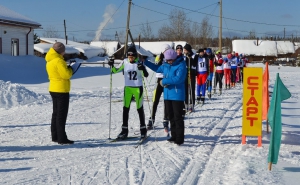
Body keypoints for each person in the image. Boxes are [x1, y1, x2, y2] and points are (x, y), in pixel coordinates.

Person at [144, 49, 187, 145]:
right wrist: (145, 62)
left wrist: (164, 81)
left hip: (177, 95)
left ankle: (180, 138)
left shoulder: (181, 65)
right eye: (167, 60)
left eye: (171, 60)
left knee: (178, 117)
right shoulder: (166, 65)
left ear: (175, 58)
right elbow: (156, 68)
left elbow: (179, 79)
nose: (169, 62)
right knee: (170, 116)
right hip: (167, 95)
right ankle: (174, 135)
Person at [108, 47, 149, 139]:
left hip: (138, 88)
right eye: (129, 55)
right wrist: (111, 65)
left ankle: (143, 130)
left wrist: (143, 69)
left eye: (132, 55)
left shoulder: (139, 62)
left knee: (139, 108)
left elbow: (146, 75)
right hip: (128, 89)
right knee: (125, 109)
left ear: (135, 55)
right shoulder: (125, 62)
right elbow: (115, 70)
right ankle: (124, 130)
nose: (130, 57)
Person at [45, 42, 74, 145]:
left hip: (53, 88)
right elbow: (66, 75)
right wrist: (71, 69)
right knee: (61, 114)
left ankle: (55, 136)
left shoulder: (49, 60)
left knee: (56, 113)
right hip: (61, 89)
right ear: (61, 51)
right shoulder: (59, 61)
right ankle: (62, 138)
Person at [147, 44, 170, 133]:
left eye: (167, 51)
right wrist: (158, 61)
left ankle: (165, 120)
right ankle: (151, 119)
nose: (166, 52)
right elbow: (156, 67)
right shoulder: (159, 57)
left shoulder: (169, 59)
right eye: (165, 51)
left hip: (166, 81)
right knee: (155, 101)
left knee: (166, 102)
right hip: (159, 81)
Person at [183, 44, 196, 113]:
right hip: (185, 74)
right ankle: (186, 104)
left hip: (192, 74)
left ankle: (192, 104)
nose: (184, 51)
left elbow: (194, 64)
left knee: (192, 89)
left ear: (188, 50)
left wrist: (190, 58)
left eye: (185, 50)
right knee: (185, 90)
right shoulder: (184, 56)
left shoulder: (194, 55)